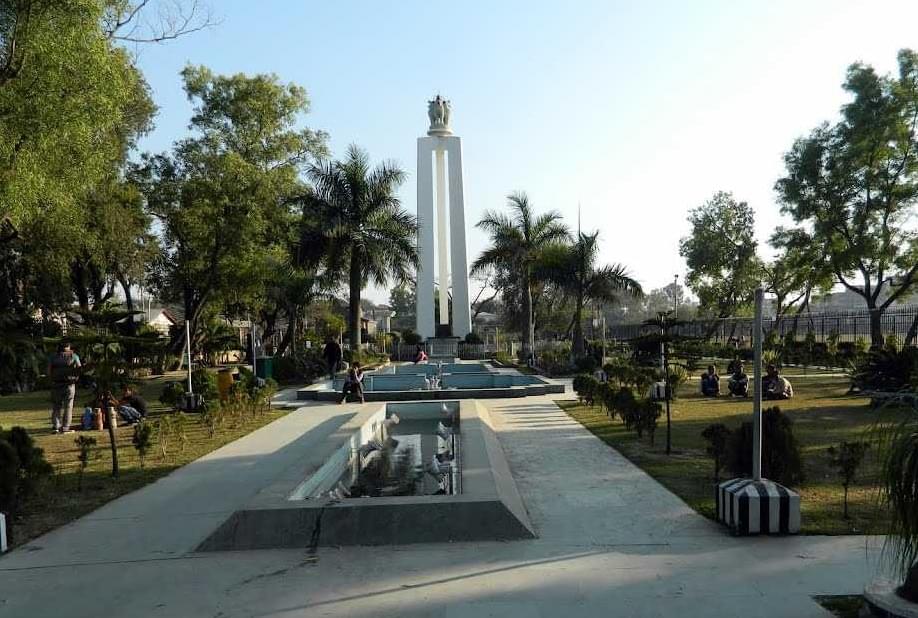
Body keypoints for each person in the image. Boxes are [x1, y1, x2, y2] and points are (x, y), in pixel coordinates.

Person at [48, 342, 82, 434]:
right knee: (68, 406)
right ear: (68, 347)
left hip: (56, 384)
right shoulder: (74, 356)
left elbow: (49, 370)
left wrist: (52, 380)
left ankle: (56, 427)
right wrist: (75, 379)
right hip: (69, 384)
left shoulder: (53, 357)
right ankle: (65, 428)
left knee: (56, 406)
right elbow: (79, 369)